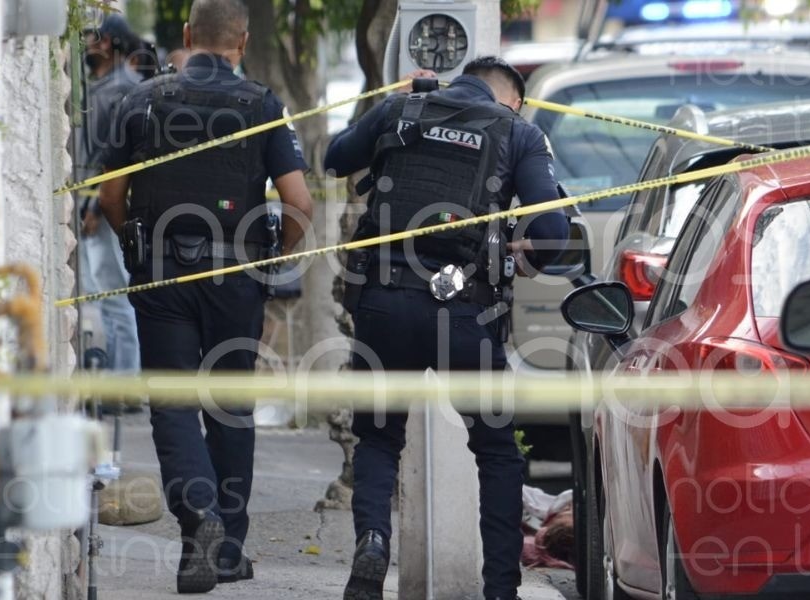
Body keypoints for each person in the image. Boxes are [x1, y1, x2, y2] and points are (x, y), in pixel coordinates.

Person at [325, 56, 569, 600]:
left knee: (379, 438)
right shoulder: (518, 132)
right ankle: (500, 589)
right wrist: (527, 258)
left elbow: (335, 157)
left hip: (384, 303)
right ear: (514, 101)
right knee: (497, 452)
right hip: (465, 314)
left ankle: (372, 543)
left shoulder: (402, 108)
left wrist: (387, 111)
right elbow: (554, 231)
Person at [97, 0, 314, 593]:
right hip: (236, 276)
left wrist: (134, 247)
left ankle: (199, 520)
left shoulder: (141, 99)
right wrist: (275, 254)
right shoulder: (262, 105)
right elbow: (299, 202)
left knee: (172, 403)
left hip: (163, 274)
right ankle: (228, 550)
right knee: (230, 407)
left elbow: (110, 195)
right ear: (242, 42)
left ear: (190, 35)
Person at [76, 14, 142, 379]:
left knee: (115, 296)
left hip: (104, 209)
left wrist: (94, 208)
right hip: (94, 205)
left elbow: (111, 157)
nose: (89, 44)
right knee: (105, 294)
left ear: (111, 44)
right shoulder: (103, 86)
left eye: (95, 37)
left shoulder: (121, 88)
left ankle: (124, 384)